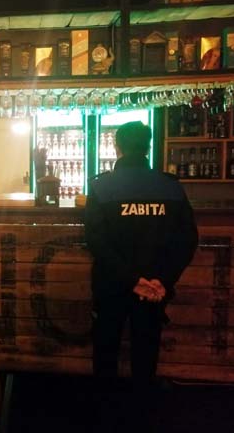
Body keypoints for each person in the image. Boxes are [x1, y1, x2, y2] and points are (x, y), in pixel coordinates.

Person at [85, 121, 198, 425]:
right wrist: (163, 280)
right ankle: (143, 414)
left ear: (117, 147)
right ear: (148, 147)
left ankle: (104, 415)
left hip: (111, 285)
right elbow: (187, 240)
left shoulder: (101, 186)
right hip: (154, 288)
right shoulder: (171, 187)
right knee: (146, 350)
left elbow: (96, 241)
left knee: (106, 349)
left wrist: (131, 280)